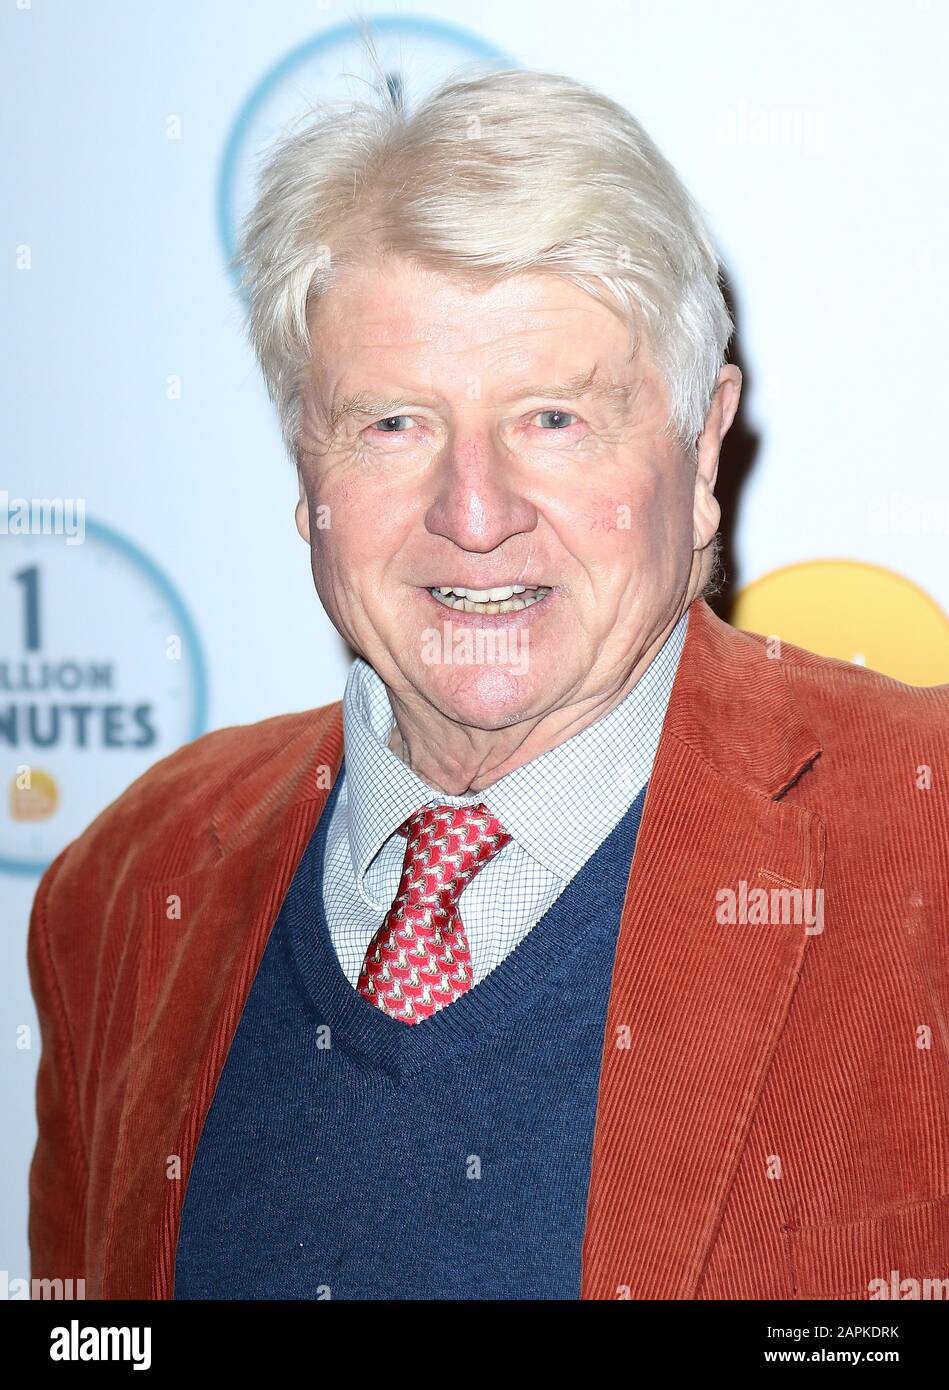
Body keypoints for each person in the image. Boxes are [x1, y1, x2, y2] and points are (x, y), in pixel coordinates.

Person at [28, 63, 949, 1301]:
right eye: (393, 422)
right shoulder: (130, 881)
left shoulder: (921, 837)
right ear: (306, 464)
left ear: (702, 441)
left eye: (553, 419)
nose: (474, 515)